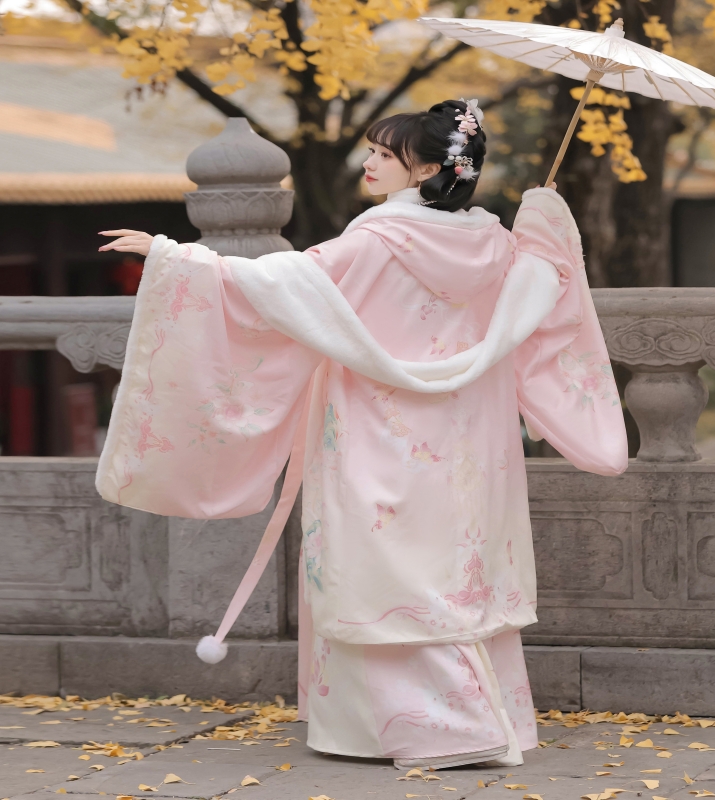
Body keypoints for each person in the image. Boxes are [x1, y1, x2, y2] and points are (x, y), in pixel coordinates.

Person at [97, 98, 628, 769]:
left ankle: (426, 730)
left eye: (384, 153)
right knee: (456, 569)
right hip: (472, 442)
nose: (369, 163)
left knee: (380, 568)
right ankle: (487, 719)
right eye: (372, 150)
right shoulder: (500, 244)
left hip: (379, 426)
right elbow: (545, 298)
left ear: (431, 166)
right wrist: (545, 223)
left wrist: (175, 258)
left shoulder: (377, 239)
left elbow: (281, 286)